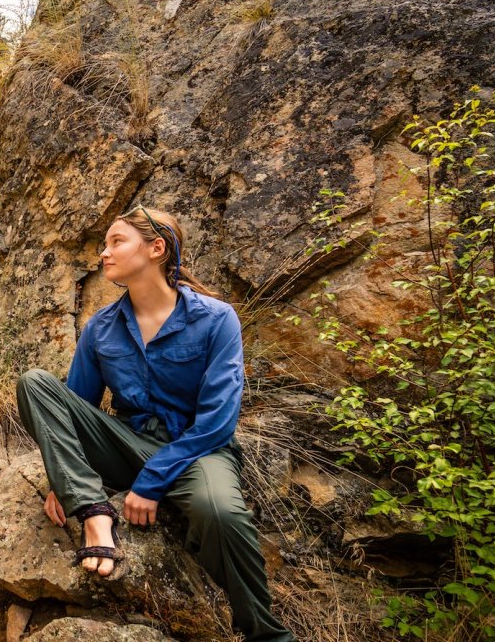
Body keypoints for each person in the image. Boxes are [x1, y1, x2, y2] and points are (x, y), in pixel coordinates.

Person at [15, 206, 295, 642]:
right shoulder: (100, 329)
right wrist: (64, 478)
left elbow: (218, 422)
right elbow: (71, 407)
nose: (104, 254)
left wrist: (150, 483)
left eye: (116, 242)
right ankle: (94, 515)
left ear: (157, 249)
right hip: (125, 442)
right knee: (35, 383)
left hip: (196, 451)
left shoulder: (217, 319)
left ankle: (267, 635)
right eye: (105, 245)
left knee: (219, 511)